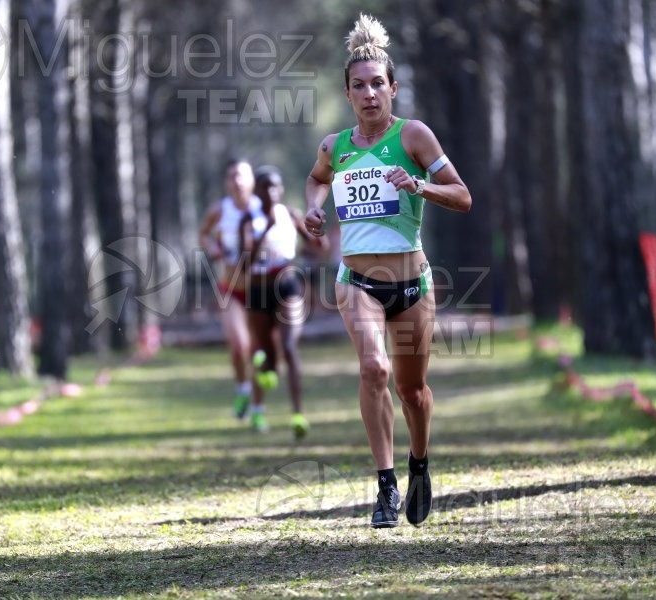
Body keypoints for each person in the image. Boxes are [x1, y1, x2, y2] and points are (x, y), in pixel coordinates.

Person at [303, 15, 472, 528]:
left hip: (413, 285)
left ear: (393, 89)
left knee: (412, 391)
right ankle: (385, 485)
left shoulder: (414, 136)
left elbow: (463, 197)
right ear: (348, 93)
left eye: (379, 84)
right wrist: (313, 209)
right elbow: (315, 180)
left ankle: (419, 462)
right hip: (356, 282)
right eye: (359, 86)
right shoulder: (335, 147)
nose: (370, 93)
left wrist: (419, 187)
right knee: (373, 369)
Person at [239, 166, 327, 436]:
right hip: (258, 289)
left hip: (287, 285)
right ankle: (263, 372)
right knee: (266, 355)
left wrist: (314, 238)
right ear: (256, 191)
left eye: (275, 186)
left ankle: (298, 415)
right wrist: (263, 232)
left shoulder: (290, 215)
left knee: (289, 346)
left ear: (282, 190)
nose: (271, 191)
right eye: (265, 186)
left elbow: (317, 246)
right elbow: (246, 262)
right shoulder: (248, 219)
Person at [198, 159, 263, 419]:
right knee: (239, 346)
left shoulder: (264, 209)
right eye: (231, 176)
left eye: (241, 175)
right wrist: (213, 248)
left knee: (260, 353)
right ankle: (243, 387)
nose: (236, 181)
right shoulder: (220, 210)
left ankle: (258, 409)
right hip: (231, 289)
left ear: (252, 181)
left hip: (262, 291)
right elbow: (203, 234)